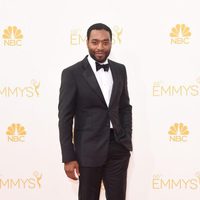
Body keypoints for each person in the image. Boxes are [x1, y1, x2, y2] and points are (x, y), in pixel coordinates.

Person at [58, 23, 132, 200]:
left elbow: (124, 107)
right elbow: (65, 118)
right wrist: (68, 156)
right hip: (88, 149)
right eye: (95, 42)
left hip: (118, 147)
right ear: (87, 43)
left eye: (105, 42)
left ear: (111, 43)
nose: (100, 47)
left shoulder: (120, 69)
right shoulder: (72, 73)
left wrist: (126, 138)